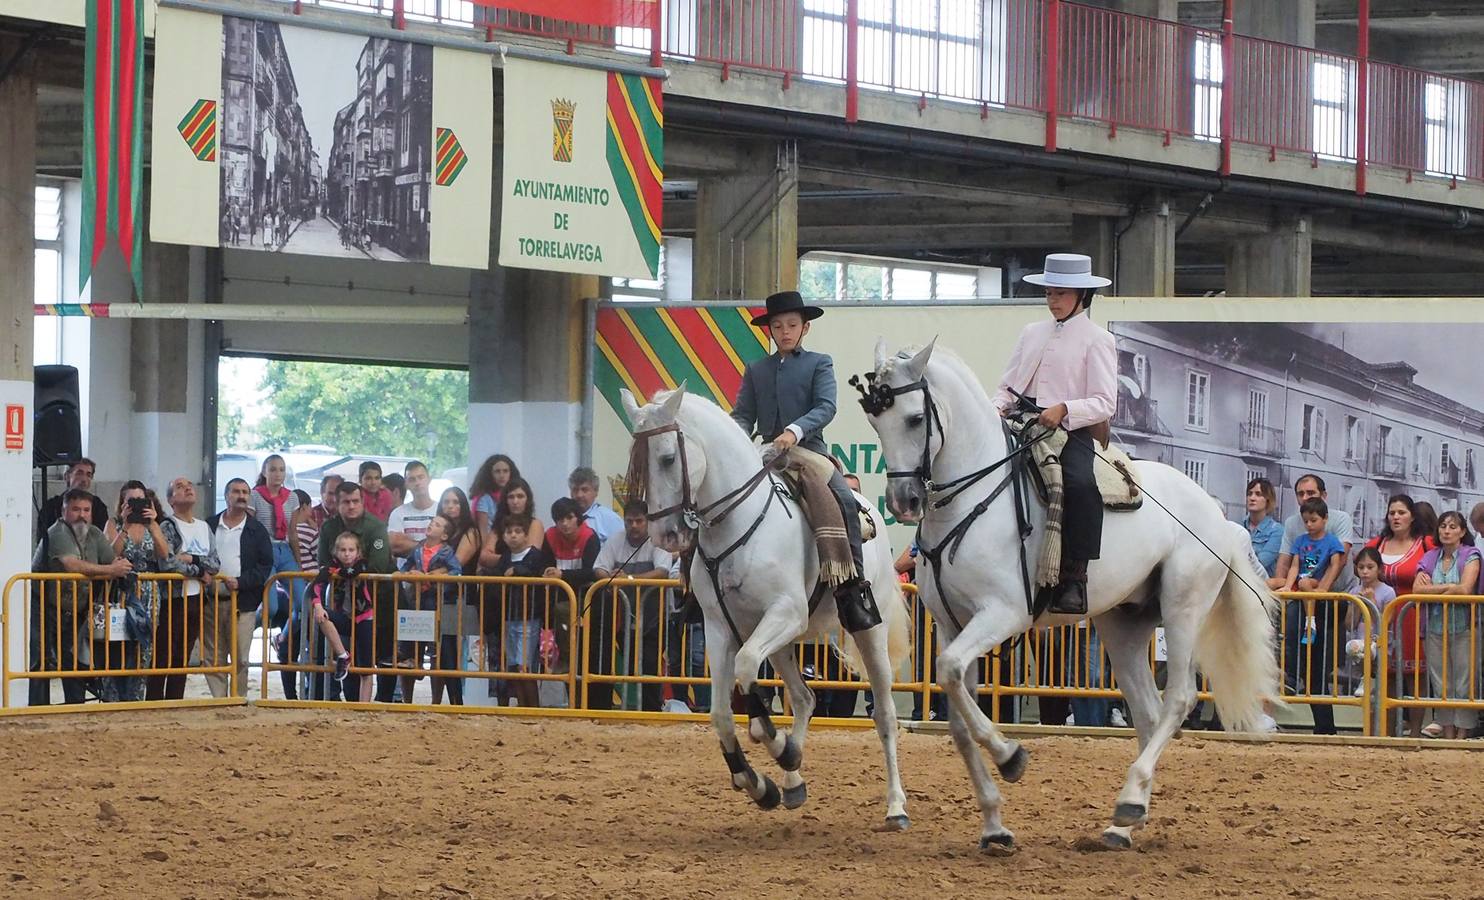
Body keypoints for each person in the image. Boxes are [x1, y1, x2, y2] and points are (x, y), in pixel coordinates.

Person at [731, 290, 881, 632]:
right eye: (778, 325)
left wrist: (795, 431)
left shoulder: (819, 362)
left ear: (805, 328)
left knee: (843, 499)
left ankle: (853, 586)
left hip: (808, 450)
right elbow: (743, 415)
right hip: (766, 453)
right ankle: (702, 589)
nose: (784, 331)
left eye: (792, 325)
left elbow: (826, 407)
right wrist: (735, 436)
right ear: (769, 329)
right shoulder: (757, 370)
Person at [991, 254, 1117, 616]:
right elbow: (1008, 385)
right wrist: (995, 407)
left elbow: (1105, 403)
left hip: (1068, 429)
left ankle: (1075, 576)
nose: (1053, 300)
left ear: (1081, 295)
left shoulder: (1098, 340)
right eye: (1049, 293)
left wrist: (1064, 409)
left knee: (1080, 486)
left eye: (1060, 293)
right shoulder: (1032, 332)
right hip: (1023, 421)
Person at [43, 489, 133, 703]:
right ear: (63, 510)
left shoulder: (93, 533)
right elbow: (71, 565)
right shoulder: (57, 532)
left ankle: (78, 705)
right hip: (49, 609)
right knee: (45, 662)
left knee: (78, 661)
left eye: (86, 509)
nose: (82, 514)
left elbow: (112, 558)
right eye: (75, 509)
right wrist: (111, 571)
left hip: (80, 609)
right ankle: (44, 708)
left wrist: (126, 529)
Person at [1363, 493, 1434, 737]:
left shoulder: (1426, 544)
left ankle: (1415, 732)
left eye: (1401, 512)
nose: (1396, 517)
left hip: (1415, 617)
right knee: (1388, 676)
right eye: (1392, 512)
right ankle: (1387, 730)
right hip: (1384, 617)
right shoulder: (1376, 544)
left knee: (1416, 676)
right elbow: (1362, 565)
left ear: (1412, 516)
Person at [593, 500, 674, 711]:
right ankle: (633, 707)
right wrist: (610, 577)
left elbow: (662, 571)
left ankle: (651, 710)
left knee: (649, 664)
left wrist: (628, 578)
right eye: (629, 521)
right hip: (624, 617)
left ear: (647, 522)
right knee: (630, 663)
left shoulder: (658, 541)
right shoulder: (615, 540)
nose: (634, 526)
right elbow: (599, 568)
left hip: (655, 617)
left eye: (639, 521)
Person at [319, 481, 396, 700]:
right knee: (350, 650)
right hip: (344, 603)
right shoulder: (329, 528)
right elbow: (324, 564)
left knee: (382, 655)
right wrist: (347, 572)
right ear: (337, 503)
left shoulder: (376, 527)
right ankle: (352, 701)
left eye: (355, 501)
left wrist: (345, 571)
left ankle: (384, 702)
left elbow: (378, 566)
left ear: (362, 502)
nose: (351, 506)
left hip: (380, 602)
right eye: (346, 502)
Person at [97, 481, 171, 702]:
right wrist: (126, 527)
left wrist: (153, 523)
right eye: (132, 501)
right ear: (122, 503)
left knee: (143, 647)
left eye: (141, 500)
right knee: (117, 645)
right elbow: (110, 556)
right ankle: (112, 698)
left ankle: (136, 698)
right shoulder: (113, 524)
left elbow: (164, 554)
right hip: (121, 591)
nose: (137, 505)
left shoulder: (154, 524)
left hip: (149, 591)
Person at [1280, 497, 1346, 735]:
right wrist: (1288, 586)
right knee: (1310, 668)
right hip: (1303, 593)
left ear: (1325, 519)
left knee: (1317, 669)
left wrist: (1324, 589)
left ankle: (1310, 623)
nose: (1309, 524)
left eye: (1314, 520)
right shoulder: (1300, 541)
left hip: (1318, 597)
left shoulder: (1331, 541)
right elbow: (1295, 567)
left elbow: (1335, 565)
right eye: (1306, 520)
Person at [1412, 511, 1482, 740]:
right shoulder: (1430, 557)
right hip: (1434, 627)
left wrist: (1438, 588)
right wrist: (1448, 587)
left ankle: (1462, 733)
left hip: (1464, 627)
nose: (1447, 531)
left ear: (1462, 532)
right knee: (1440, 682)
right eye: (1443, 526)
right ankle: (1448, 732)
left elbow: (1465, 589)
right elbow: (1417, 590)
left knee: (1464, 681)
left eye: (1453, 527)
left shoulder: (1471, 555)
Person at [205, 478, 274, 698]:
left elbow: (265, 566)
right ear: (226, 496)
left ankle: (238, 699)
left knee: (241, 658)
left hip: (243, 603)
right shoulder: (209, 525)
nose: (241, 496)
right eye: (236, 491)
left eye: (245, 492)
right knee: (213, 656)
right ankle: (218, 701)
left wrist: (241, 582)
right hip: (211, 601)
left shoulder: (257, 530)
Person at [152, 477, 218, 701]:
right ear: (171, 499)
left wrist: (191, 558)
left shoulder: (204, 527)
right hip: (173, 597)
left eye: (189, 485)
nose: (188, 488)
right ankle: (154, 700)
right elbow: (169, 563)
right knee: (164, 654)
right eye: (180, 487)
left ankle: (174, 699)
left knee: (183, 654)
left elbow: (215, 563)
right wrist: (199, 571)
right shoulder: (168, 526)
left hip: (196, 598)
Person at [397, 513, 463, 704]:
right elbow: (407, 564)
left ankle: (436, 700)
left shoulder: (446, 552)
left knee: (437, 648)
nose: (431, 525)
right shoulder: (418, 549)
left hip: (434, 601)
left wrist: (437, 578)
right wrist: (407, 574)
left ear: (444, 535)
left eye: (437, 525)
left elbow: (456, 571)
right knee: (410, 640)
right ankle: (406, 697)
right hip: (414, 600)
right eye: (432, 523)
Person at [543, 497, 602, 689]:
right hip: (558, 599)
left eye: (569, 518)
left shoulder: (589, 537)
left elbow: (592, 571)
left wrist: (562, 574)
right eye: (560, 519)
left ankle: (567, 660)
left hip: (585, 599)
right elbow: (545, 565)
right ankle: (565, 659)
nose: (565, 524)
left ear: (578, 518)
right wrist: (547, 573)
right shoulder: (550, 536)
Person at [489, 515, 547, 708]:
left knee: (525, 667)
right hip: (508, 618)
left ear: (525, 535)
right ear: (503, 537)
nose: (513, 536)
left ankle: (533, 708)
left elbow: (536, 575)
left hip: (528, 618)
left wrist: (518, 572)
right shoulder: (504, 558)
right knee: (514, 667)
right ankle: (522, 707)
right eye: (509, 532)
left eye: (518, 531)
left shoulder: (535, 556)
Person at [310, 532, 373, 701]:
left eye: (351, 550)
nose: (347, 554)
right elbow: (315, 586)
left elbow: (352, 572)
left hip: (364, 617)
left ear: (358, 552)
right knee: (323, 616)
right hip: (343, 617)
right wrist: (317, 604)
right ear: (336, 552)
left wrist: (333, 571)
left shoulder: (362, 564)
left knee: (366, 667)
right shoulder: (330, 567)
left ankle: (364, 706)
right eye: (343, 550)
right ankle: (343, 655)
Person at [1348, 547, 1395, 737]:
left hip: (1381, 645)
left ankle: (1380, 732)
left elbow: (1385, 622)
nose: (1365, 571)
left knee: (1380, 692)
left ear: (1379, 569)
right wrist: (1358, 603)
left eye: (1370, 567)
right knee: (1367, 697)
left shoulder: (1388, 591)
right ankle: (1367, 732)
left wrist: (1372, 602)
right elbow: (1349, 624)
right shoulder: (1353, 590)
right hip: (1358, 643)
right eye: (1361, 567)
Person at [251, 454, 301, 628]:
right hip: (264, 550)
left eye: (281, 469)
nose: (278, 474)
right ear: (264, 472)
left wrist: (298, 561)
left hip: (285, 549)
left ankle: (284, 639)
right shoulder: (255, 496)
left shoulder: (292, 497)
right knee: (271, 607)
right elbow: (250, 529)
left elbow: (293, 532)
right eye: (273, 469)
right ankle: (247, 631)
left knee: (303, 604)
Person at [38, 458, 109, 532]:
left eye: (88, 475)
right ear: (67, 477)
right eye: (79, 473)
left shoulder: (98, 506)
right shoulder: (51, 507)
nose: (84, 479)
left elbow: (102, 538)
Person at [482, 478, 545, 562]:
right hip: (499, 573)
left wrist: (501, 560)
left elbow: (530, 558)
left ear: (528, 500)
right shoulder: (499, 524)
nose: (515, 501)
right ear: (506, 501)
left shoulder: (535, 524)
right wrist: (509, 560)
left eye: (520, 496)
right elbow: (484, 557)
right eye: (511, 497)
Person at [388, 461, 439, 557]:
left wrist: (408, 543)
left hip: (436, 570)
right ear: (406, 484)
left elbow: (445, 546)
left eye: (421, 477)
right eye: (412, 479)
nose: (417, 483)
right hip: (405, 571)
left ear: (429, 479)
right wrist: (430, 547)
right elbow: (395, 546)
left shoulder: (441, 510)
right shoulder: (398, 513)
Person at [1238, 477, 1285, 579]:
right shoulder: (1239, 526)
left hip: (1263, 587)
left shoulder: (1277, 530)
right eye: (1249, 494)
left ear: (1268, 500)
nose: (1252, 498)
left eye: (1258, 494)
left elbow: (1261, 563)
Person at [568, 466, 623, 545]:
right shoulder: (565, 519)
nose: (579, 495)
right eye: (575, 490)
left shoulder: (609, 519)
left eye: (584, 490)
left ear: (596, 491)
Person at [470, 454, 520, 534]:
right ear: (490, 474)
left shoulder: (515, 497)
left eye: (505, 471)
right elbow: (483, 532)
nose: (502, 475)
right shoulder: (484, 499)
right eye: (497, 471)